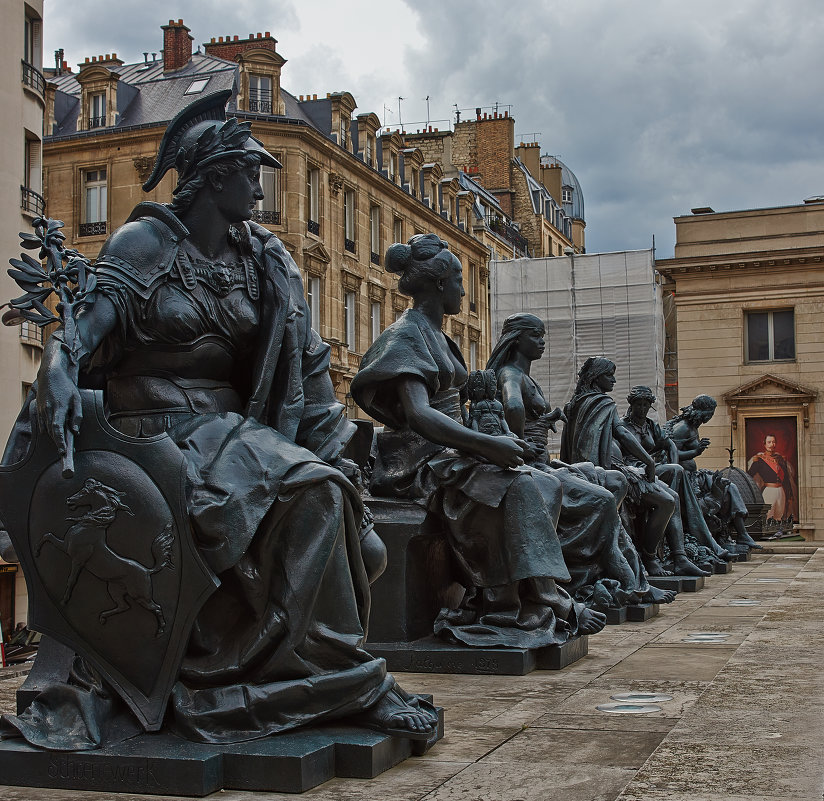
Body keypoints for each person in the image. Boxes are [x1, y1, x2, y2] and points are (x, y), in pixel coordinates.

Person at [1, 92, 435, 750]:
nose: (259, 190)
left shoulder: (259, 261)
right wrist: (58, 368)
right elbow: (83, 329)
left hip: (231, 433)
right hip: (148, 428)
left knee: (324, 489)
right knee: (311, 493)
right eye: (247, 174)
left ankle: (302, 676)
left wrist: (339, 447)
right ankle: (347, 679)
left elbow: (306, 364)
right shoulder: (144, 241)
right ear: (213, 175)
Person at [351, 234, 607, 649]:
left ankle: (514, 599)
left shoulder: (437, 335)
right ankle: (541, 602)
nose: (464, 290)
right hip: (417, 459)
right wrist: (486, 446)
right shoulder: (405, 335)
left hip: (449, 449)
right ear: (438, 284)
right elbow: (418, 414)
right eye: (458, 279)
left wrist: (492, 441)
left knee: (545, 482)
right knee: (521, 485)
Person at [487, 315, 677, 606]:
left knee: (614, 480)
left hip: (544, 464)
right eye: (536, 336)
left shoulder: (525, 376)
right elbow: (512, 404)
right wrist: (521, 443)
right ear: (517, 339)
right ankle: (629, 581)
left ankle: (621, 568)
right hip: (530, 467)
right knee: (603, 499)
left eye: (543, 336)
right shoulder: (510, 374)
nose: (542, 342)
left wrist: (543, 420)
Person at [560, 358, 707, 577]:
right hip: (604, 472)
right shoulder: (602, 403)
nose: (614, 379)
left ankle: (678, 557)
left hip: (595, 470)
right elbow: (622, 434)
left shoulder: (578, 403)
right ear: (596, 377)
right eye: (609, 375)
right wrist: (648, 460)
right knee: (668, 500)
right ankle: (650, 559)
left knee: (672, 495)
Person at [665, 396, 751, 556]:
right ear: (702, 412)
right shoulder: (682, 428)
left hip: (695, 474)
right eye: (710, 413)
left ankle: (743, 534)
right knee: (716, 492)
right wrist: (695, 451)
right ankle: (716, 539)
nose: (710, 417)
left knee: (728, 485)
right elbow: (671, 455)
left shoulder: (693, 426)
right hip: (685, 478)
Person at [747, 434, 798, 523]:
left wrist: (789, 495)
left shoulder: (781, 459)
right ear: (764, 444)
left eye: (773, 442)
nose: (771, 444)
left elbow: (786, 479)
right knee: (767, 517)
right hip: (768, 491)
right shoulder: (759, 460)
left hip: (781, 491)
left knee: (779, 517)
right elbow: (749, 475)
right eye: (769, 442)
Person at [466, 369, 513, 437]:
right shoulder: (480, 404)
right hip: (484, 432)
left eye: (494, 389)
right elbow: (475, 420)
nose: (493, 391)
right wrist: (476, 433)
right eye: (491, 389)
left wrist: (508, 431)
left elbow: (502, 419)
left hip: (497, 431)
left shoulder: (499, 405)